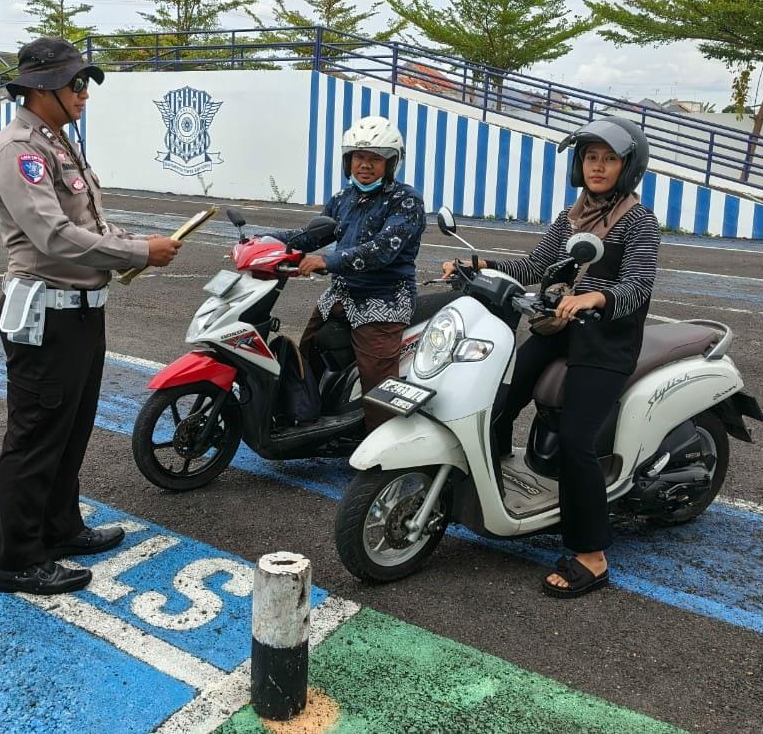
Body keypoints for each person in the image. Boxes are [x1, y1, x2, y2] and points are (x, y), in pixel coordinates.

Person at [0, 37, 182, 595]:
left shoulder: (58, 145)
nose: (84, 93)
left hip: (79, 314)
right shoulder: (18, 149)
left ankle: (60, 527)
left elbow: (91, 225)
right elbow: (53, 236)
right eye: (76, 83)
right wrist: (140, 252)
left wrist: (136, 242)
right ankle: (19, 559)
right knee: (36, 436)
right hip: (46, 312)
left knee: (70, 431)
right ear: (41, 87)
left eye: (86, 83)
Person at [444, 116, 659, 599]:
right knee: (499, 401)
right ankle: (493, 489)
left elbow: (638, 286)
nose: (598, 167)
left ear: (627, 166)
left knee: (577, 441)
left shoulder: (639, 220)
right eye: (590, 157)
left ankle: (592, 556)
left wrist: (593, 299)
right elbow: (535, 265)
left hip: (605, 342)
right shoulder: (572, 214)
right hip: (559, 328)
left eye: (608, 158)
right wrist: (480, 264)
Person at [271, 115, 426, 432]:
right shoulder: (343, 199)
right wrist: (268, 241)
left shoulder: (405, 200)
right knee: (306, 355)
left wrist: (327, 261)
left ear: (390, 163)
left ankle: (385, 450)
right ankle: (304, 422)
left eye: (374, 158)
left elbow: (383, 249)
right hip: (341, 296)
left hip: (383, 300)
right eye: (358, 156)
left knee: (377, 382)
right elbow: (312, 235)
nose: (365, 165)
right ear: (348, 160)